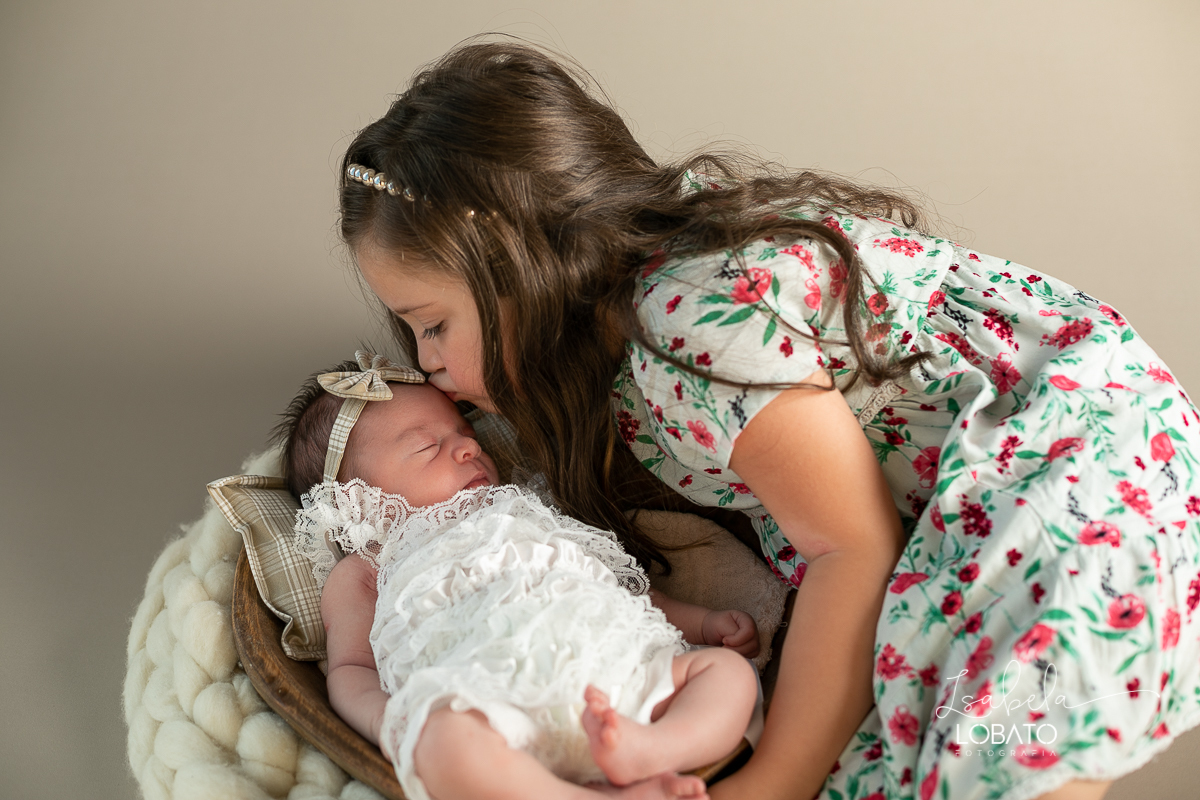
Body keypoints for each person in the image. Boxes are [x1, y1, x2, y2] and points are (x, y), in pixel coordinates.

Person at [328, 40, 1200, 800]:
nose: (426, 361)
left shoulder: (685, 325)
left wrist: (770, 784)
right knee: (909, 737)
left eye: (432, 324)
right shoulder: (628, 333)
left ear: (523, 270)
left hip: (1067, 455)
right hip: (997, 469)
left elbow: (850, 551)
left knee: (999, 734)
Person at [274, 351, 762, 800]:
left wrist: (700, 623)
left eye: (465, 433)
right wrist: (395, 722)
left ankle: (654, 748)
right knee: (443, 744)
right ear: (357, 503)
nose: (467, 446)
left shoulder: (524, 509)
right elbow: (351, 669)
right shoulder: (369, 567)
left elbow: (614, 584)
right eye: (427, 446)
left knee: (727, 675)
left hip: (618, 671)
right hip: (493, 704)